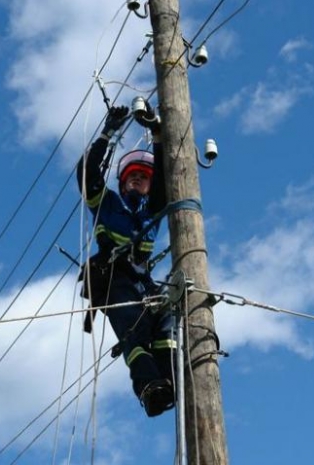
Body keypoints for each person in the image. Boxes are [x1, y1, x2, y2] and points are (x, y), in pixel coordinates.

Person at [76, 105, 176, 417]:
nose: (137, 181)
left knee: (166, 326)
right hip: (115, 282)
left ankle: (172, 382)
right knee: (135, 329)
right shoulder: (107, 204)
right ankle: (149, 387)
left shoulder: (150, 213)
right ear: (122, 183)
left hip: (144, 283)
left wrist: (158, 136)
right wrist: (108, 133)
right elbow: (87, 174)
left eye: (142, 178)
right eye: (131, 177)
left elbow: (163, 184)